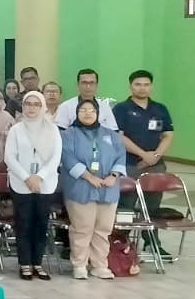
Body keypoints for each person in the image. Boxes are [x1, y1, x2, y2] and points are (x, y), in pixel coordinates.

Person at [112, 69, 175, 263]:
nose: (142, 88)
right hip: (130, 165)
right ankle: (120, 244)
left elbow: (168, 134)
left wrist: (154, 156)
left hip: (155, 167)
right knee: (126, 207)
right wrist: (143, 154)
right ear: (130, 86)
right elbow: (119, 136)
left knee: (152, 207)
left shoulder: (160, 108)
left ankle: (152, 242)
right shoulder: (121, 109)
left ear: (151, 86)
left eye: (146, 84)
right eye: (138, 84)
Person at [61, 98, 128, 280]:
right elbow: (67, 157)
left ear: (98, 113)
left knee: (103, 229)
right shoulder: (69, 134)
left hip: (108, 188)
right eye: (83, 110)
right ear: (77, 113)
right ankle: (79, 264)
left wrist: (113, 175)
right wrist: (88, 176)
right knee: (82, 228)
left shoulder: (111, 135)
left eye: (91, 110)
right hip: (80, 187)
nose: (87, 113)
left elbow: (120, 156)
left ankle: (100, 265)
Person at [3, 90, 61, 281]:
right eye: (28, 104)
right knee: (24, 224)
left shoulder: (52, 130)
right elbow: (9, 157)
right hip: (21, 183)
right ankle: (25, 263)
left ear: (42, 107)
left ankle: (37, 263)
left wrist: (40, 177)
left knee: (41, 224)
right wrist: (27, 178)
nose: (32, 108)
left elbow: (56, 158)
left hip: (46, 183)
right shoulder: (16, 130)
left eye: (36, 104)